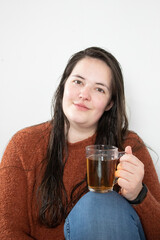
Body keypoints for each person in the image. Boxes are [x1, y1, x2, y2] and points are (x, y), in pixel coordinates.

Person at [0, 47, 160, 240]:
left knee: (100, 203)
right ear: (63, 86)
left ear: (110, 103)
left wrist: (138, 195)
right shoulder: (24, 144)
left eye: (99, 89)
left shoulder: (129, 148)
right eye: (78, 82)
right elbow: (7, 231)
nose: (84, 94)